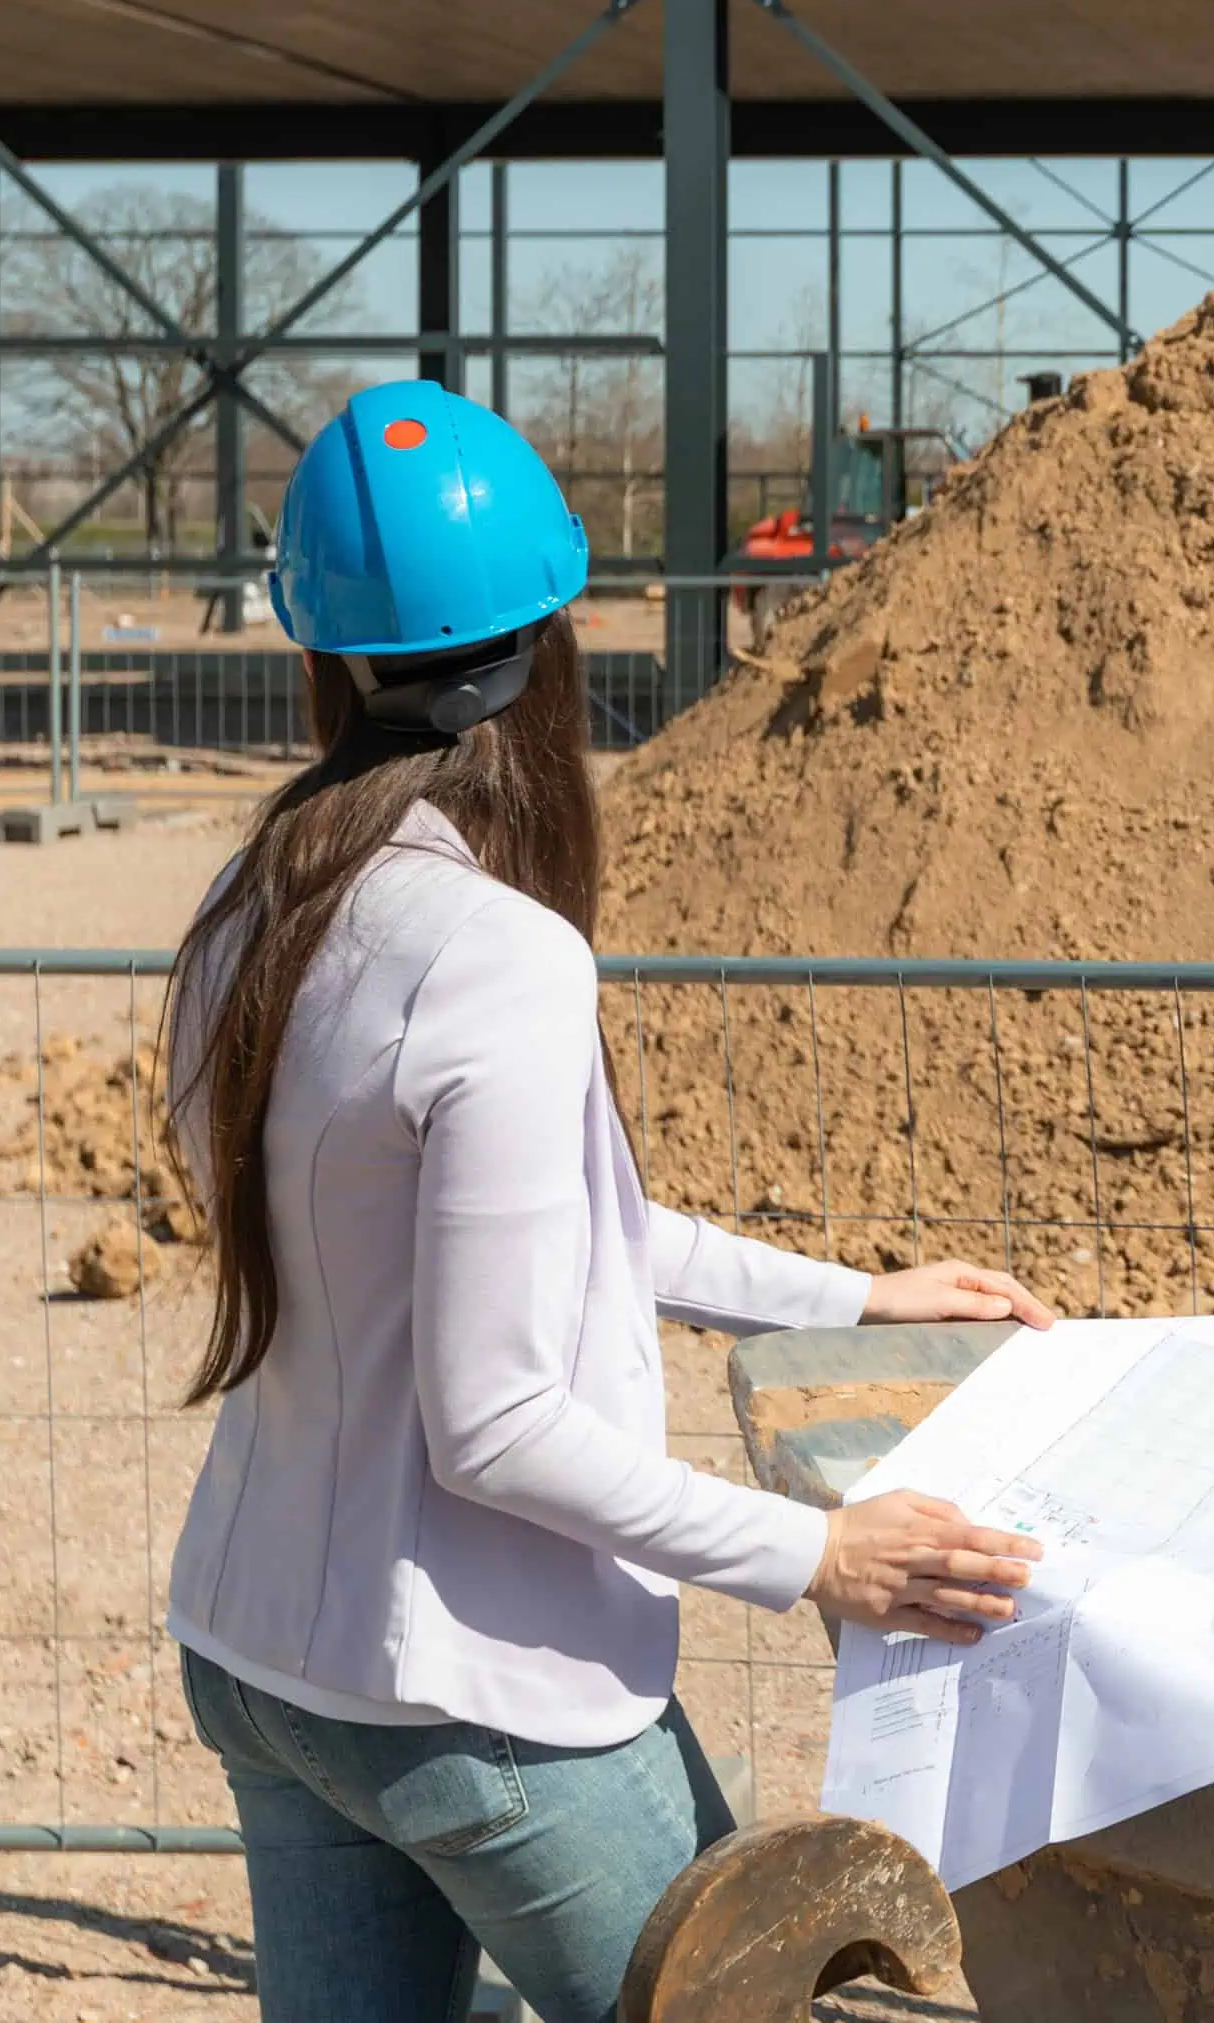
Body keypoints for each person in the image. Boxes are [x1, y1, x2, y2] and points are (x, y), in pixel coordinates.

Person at [164, 380, 1061, 2023]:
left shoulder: (258, 906)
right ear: (546, 656)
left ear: (323, 653)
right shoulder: (502, 952)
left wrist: (852, 1298)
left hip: (260, 1657)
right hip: (475, 1704)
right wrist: (822, 1552)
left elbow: (547, 1229)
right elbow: (492, 1420)